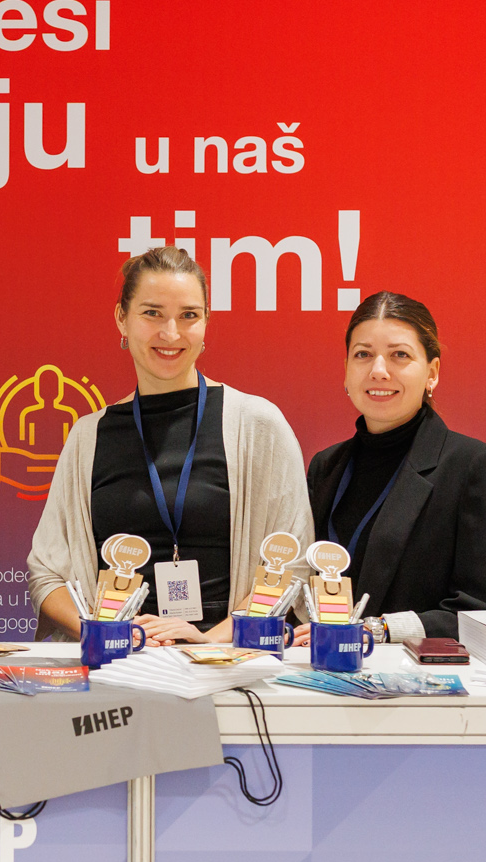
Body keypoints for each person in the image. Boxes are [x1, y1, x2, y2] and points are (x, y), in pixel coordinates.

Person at [28, 246, 312, 643]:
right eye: (152, 313)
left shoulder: (259, 426)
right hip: (119, 662)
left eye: (189, 315)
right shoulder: (88, 437)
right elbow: (46, 574)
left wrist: (211, 640)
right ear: (122, 319)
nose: (171, 333)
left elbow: (290, 567)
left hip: (227, 661)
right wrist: (108, 633)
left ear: (207, 322)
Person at [302, 291, 486, 645]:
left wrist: (378, 630)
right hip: (323, 665)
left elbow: (481, 613)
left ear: (432, 373)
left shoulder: (475, 468)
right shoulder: (325, 467)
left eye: (399, 355)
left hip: (419, 674)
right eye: (363, 354)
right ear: (346, 371)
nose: (378, 370)